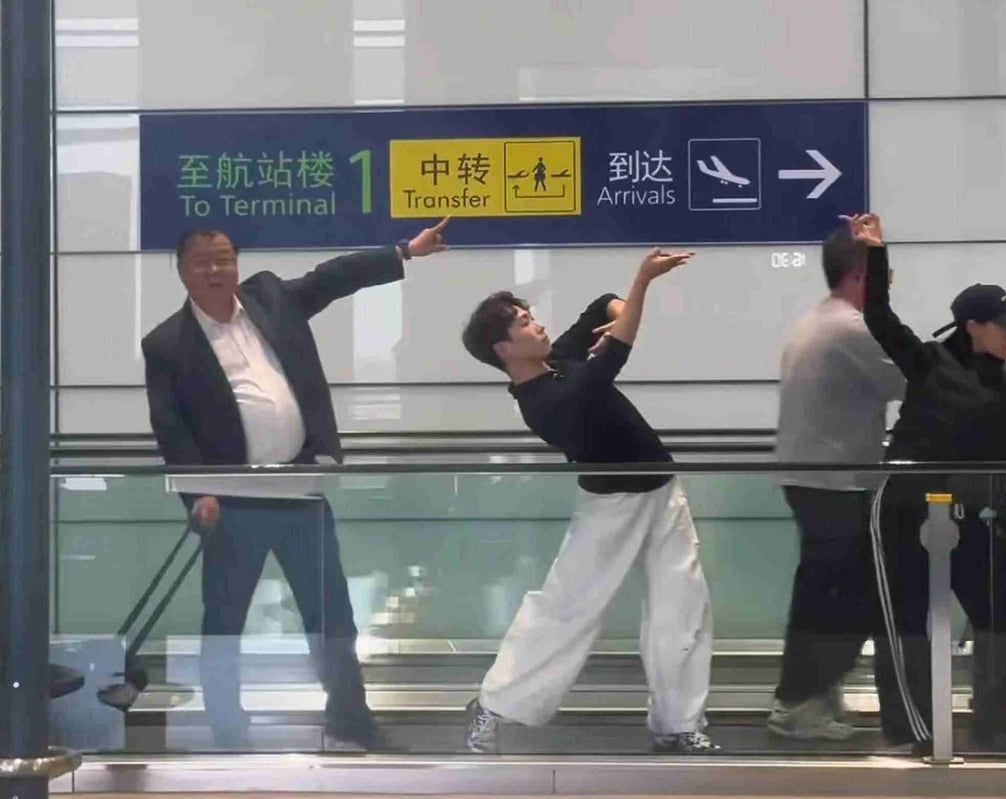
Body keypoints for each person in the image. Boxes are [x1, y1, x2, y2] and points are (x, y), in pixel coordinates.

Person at [141, 219, 450, 749]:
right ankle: (226, 727)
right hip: (232, 504)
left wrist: (403, 251)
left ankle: (350, 717)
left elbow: (332, 278)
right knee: (225, 621)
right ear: (182, 270)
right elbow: (171, 427)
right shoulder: (167, 343)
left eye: (224, 258)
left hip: (300, 493)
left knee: (332, 613)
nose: (217, 270)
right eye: (203, 261)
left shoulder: (269, 299)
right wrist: (200, 495)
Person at [459, 248, 718, 754]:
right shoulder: (545, 402)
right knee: (567, 610)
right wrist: (643, 281)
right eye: (524, 324)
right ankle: (494, 706)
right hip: (611, 508)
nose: (538, 328)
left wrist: (618, 311)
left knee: (683, 607)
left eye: (533, 318)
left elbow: (603, 306)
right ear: (503, 350)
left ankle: (678, 724)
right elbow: (614, 357)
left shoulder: (556, 362)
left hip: (663, 492)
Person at [855, 212, 1006, 749]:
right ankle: (918, 731)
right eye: (1004, 325)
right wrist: (874, 253)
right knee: (904, 619)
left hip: (974, 509)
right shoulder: (927, 363)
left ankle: (1000, 720)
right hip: (905, 504)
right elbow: (878, 315)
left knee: (1005, 609)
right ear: (974, 326)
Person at [768, 225, 906, 740]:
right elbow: (911, 378)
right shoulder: (853, 328)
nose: (891, 279)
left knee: (826, 592)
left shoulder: (818, 320)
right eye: (882, 271)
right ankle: (799, 703)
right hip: (835, 484)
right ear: (857, 275)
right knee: (838, 596)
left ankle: (811, 696)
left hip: (817, 478)